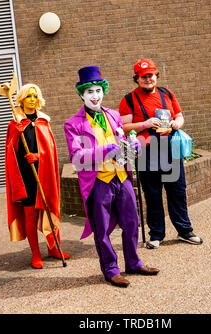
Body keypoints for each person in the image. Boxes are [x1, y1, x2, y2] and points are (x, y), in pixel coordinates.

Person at [64, 66, 159, 287]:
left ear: (103, 91)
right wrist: (108, 149)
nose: (95, 96)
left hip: (121, 176)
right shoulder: (73, 124)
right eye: (89, 92)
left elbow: (123, 142)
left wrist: (133, 146)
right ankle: (110, 269)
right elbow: (78, 157)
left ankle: (134, 263)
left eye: (98, 90)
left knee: (131, 221)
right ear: (81, 94)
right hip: (98, 182)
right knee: (103, 228)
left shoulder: (114, 115)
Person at [119, 58, 203, 249]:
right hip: (146, 152)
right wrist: (144, 124)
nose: (148, 79)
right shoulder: (129, 99)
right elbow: (123, 128)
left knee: (178, 191)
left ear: (156, 76)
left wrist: (177, 123)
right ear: (137, 79)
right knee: (153, 194)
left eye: (151, 75)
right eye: (143, 77)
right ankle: (156, 234)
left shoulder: (167, 93)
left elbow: (179, 115)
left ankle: (184, 231)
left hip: (170, 149)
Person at [5, 83, 70, 269]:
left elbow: (50, 150)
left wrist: (39, 156)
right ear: (22, 100)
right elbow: (11, 153)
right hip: (26, 177)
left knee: (50, 209)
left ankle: (54, 247)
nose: (32, 100)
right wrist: (16, 136)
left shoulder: (44, 121)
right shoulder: (15, 123)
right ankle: (35, 254)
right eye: (28, 96)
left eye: (35, 96)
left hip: (44, 174)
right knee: (30, 214)